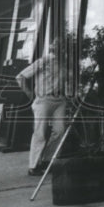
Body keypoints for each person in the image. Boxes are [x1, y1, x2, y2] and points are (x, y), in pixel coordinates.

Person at [16, 37, 71, 176]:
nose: (61, 48)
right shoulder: (43, 61)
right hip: (44, 100)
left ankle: (47, 161)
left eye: (63, 46)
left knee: (60, 131)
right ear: (53, 47)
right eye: (57, 45)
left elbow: (66, 83)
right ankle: (33, 166)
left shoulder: (65, 65)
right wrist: (30, 94)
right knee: (40, 132)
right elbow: (20, 77)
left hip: (60, 100)